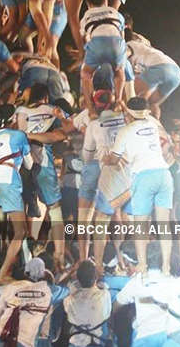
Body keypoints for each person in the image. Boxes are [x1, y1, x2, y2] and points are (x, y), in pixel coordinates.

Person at [107, 97, 173, 276]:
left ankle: (143, 269)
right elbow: (167, 141)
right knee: (164, 225)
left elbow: (113, 160)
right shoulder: (153, 123)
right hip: (164, 174)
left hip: (144, 176)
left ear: (128, 113)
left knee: (140, 227)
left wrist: (106, 157)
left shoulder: (125, 131)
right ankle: (166, 268)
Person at [114, 243, 180, 347]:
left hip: (145, 336)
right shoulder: (173, 281)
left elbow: (117, 305)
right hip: (167, 335)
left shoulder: (137, 282)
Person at [16, 83, 70, 267]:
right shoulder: (51, 109)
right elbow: (68, 129)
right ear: (46, 98)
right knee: (54, 209)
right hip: (42, 163)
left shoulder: (20, 111)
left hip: (20, 164)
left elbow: (17, 133)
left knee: (21, 211)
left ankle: (24, 258)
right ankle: (59, 256)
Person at [0, 104, 34, 284]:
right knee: (20, 231)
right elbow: (29, 164)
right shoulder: (18, 135)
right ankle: (2, 275)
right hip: (8, 180)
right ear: (12, 119)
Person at [78, 96, 127, 268]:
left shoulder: (93, 123)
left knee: (88, 219)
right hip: (118, 172)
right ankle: (120, 259)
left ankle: (90, 264)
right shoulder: (125, 118)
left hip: (96, 166)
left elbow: (86, 155)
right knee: (116, 215)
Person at [0, 257, 68, 347]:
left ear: (25, 272)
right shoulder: (47, 290)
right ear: (42, 275)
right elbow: (66, 291)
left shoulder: (11, 287)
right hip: (23, 342)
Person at [79, 0, 126, 112]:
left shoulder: (87, 14)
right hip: (117, 43)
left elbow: (84, 38)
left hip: (97, 42)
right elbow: (122, 35)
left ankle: (91, 110)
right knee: (119, 72)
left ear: (88, 4)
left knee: (86, 74)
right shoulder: (115, 12)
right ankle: (118, 103)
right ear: (105, 1)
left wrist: (85, 54)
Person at [126, 32, 180, 115]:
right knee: (152, 103)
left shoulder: (129, 44)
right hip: (176, 72)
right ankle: (156, 125)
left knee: (131, 99)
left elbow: (122, 57)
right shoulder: (146, 49)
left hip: (161, 68)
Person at [63, 260, 112, 347]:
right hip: (98, 342)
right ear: (95, 277)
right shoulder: (104, 295)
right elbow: (108, 313)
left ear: (78, 279)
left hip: (75, 343)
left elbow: (69, 288)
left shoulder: (69, 300)